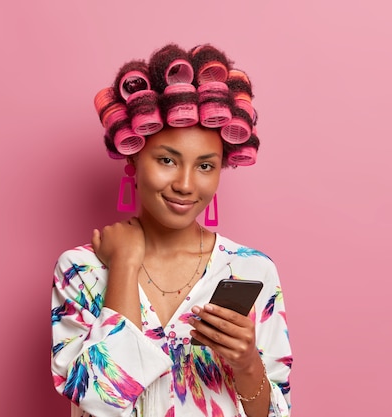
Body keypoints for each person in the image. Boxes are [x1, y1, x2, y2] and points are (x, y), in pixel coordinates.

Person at [51, 43, 293, 417]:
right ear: (133, 157)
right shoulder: (80, 269)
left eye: (205, 166)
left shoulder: (252, 270)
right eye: (167, 160)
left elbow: (276, 413)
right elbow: (100, 400)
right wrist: (125, 264)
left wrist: (247, 364)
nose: (185, 184)